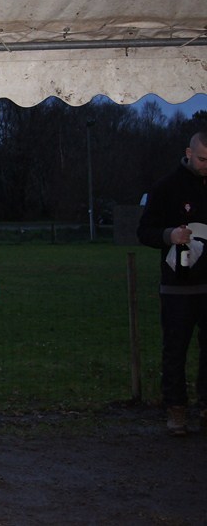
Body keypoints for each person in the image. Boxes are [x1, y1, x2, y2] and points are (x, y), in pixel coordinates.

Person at [137, 131, 207, 436]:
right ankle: (176, 411)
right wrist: (170, 236)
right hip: (178, 287)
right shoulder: (165, 188)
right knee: (175, 350)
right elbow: (144, 231)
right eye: (204, 159)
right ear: (189, 153)